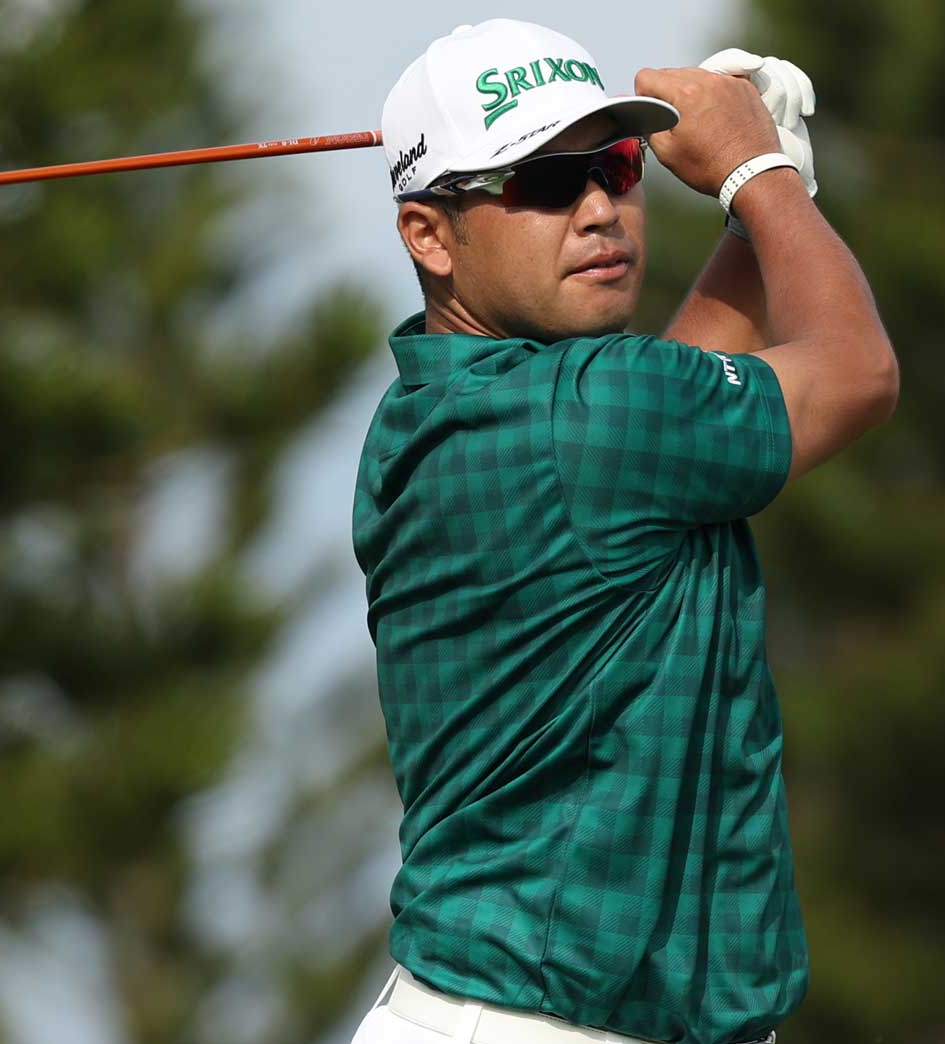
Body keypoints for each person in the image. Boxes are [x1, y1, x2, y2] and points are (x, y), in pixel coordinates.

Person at [349, 18, 897, 1044]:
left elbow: (671, 412)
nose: (599, 208)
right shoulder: (591, 415)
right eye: (545, 183)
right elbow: (856, 371)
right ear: (427, 234)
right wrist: (757, 175)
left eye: (614, 165)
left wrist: (753, 209)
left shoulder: (437, 413)